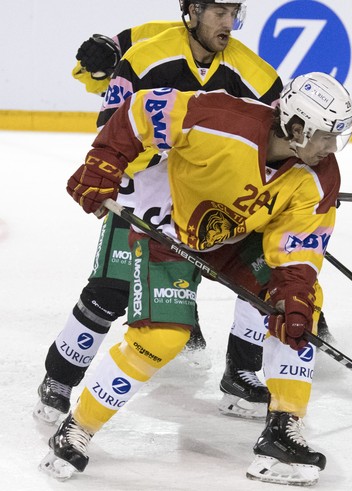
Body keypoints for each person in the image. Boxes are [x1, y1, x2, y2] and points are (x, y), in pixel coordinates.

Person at [39, 72, 352, 485]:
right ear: (295, 128)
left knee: (298, 306)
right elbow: (139, 111)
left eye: (338, 136)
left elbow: (297, 248)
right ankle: (77, 428)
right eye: (325, 135)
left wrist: (292, 294)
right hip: (165, 231)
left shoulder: (321, 175)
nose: (332, 147)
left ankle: (282, 430)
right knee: (162, 338)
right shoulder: (222, 119)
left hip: (234, 240)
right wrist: (105, 162)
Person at [35, 0, 284, 427]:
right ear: (192, 11)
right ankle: (58, 378)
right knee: (109, 294)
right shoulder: (147, 56)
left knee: (262, 275)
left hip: (210, 202)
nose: (228, 24)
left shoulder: (256, 74)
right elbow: (113, 130)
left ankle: (241, 372)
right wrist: (176, 150)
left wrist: (300, 189)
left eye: (234, 13)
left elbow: (280, 141)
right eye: (219, 13)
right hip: (147, 196)